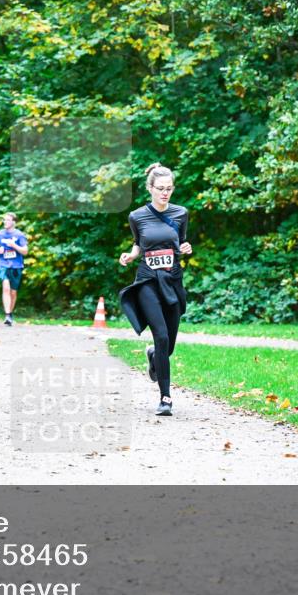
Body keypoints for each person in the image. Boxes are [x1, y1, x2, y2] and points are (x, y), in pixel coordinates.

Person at [118, 163, 192, 416]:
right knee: (160, 336)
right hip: (148, 280)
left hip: (172, 280)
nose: (165, 193)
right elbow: (139, 245)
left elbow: (181, 242)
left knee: (167, 346)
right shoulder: (137, 216)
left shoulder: (181, 213)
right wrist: (130, 254)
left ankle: (154, 356)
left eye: (169, 189)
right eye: (160, 188)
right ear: (150, 188)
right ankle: (165, 398)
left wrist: (186, 247)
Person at [0, 212, 28, 325]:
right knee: (6, 288)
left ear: (14, 222)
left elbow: (25, 251)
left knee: (13, 292)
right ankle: (7, 315)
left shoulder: (20, 235)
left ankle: (10, 314)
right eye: (4, 220)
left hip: (16, 266)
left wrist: (14, 245)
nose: (5, 222)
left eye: (7, 220)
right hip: (4, 264)